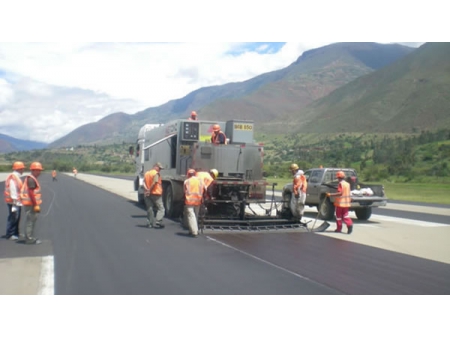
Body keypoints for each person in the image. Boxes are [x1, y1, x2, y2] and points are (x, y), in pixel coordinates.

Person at [20, 162, 44, 245]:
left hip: (30, 203)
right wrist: (35, 204)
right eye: (37, 170)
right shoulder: (31, 179)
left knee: (31, 220)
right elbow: (30, 193)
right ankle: (29, 239)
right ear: (33, 170)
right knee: (30, 221)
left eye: (40, 170)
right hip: (30, 204)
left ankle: (29, 237)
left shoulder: (32, 178)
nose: (39, 172)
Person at [4, 161, 25, 240]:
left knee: (17, 217)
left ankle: (16, 233)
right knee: (13, 217)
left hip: (16, 201)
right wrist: (15, 201)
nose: (23, 170)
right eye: (22, 169)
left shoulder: (15, 176)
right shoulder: (13, 177)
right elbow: (13, 189)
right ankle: (10, 234)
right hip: (13, 201)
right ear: (19, 169)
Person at [183, 169, 205, 237]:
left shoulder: (187, 181)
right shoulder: (200, 181)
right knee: (195, 216)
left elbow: (184, 191)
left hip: (189, 201)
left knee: (191, 216)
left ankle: (194, 231)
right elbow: (205, 189)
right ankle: (192, 230)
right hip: (198, 201)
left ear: (188, 174)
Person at [143, 162, 165, 228]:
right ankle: (158, 221)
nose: (160, 170)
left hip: (147, 194)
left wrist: (146, 189)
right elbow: (154, 183)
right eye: (159, 168)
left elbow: (143, 182)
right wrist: (149, 190)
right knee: (161, 208)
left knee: (149, 208)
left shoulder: (147, 173)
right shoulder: (156, 174)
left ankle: (150, 223)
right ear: (156, 167)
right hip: (156, 193)